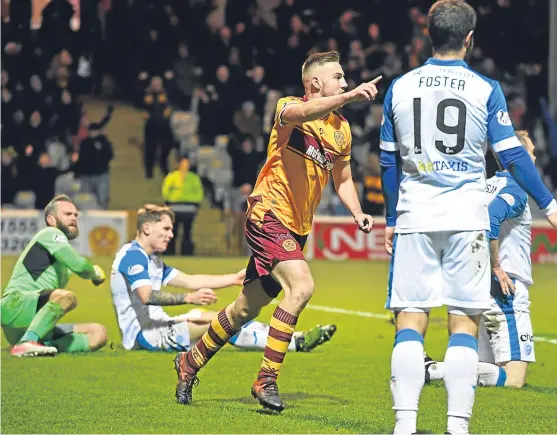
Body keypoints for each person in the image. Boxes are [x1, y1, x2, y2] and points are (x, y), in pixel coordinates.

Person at [379, 1, 557, 434]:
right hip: (466, 218)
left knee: (410, 321)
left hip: (415, 215)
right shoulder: (484, 88)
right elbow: (513, 157)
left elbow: (388, 163)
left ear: (427, 33)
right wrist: (549, 205)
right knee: (463, 324)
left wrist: (389, 219)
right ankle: (456, 428)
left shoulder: (400, 88)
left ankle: (405, 426)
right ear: (469, 38)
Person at [174, 50, 380, 411]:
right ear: (315, 83)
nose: (345, 83)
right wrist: (348, 97)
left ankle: (189, 362)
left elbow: (342, 177)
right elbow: (301, 114)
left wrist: (358, 211)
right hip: (267, 213)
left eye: (346, 79)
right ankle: (266, 379)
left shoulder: (341, 130)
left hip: (297, 227)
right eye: (338, 77)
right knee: (302, 286)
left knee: (244, 309)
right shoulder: (288, 107)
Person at [110, 204, 337, 353]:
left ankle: (292, 337)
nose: (171, 234)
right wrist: (189, 298)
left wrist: (233, 279)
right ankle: (295, 343)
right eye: (166, 228)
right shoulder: (133, 258)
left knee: (225, 318)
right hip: (144, 336)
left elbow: (191, 280)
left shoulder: (152, 261)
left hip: (159, 325)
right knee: (224, 325)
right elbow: (147, 295)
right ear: (147, 228)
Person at [425, 131, 538, 389]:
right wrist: (497, 266)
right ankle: (433, 370)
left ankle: (436, 371)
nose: (534, 157)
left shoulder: (483, 186)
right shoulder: (515, 189)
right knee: (514, 379)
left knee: (484, 372)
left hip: (477, 285)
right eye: (530, 153)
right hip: (505, 290)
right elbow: (493, 216)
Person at [0, 194, 108, 357]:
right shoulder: (49, 233)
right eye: (67, 214)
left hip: (31, 322)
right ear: (51, 219)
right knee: (67, 297)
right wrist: (95, 273)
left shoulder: (63, 264)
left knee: (98, 333)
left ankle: (38, 345)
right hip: (15, 305)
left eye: (75, 215)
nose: (73, 218)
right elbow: (80, 265)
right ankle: (28, 342)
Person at [161, 155, 204, 255]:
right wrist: (168, 201)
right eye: (183, 163)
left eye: (187, 164)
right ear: (179, 164)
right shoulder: (172, 176)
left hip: (189, 208)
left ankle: (186, 252)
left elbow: (199, 192)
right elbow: (165, 190)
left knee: (187, 231)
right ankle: (169, 251)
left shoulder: (194, 178)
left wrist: (196, 202)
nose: (185, 166)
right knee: (173, 231)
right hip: (174, 207)